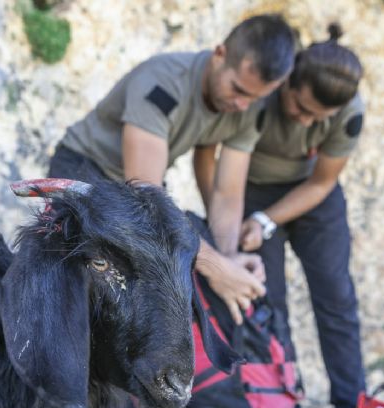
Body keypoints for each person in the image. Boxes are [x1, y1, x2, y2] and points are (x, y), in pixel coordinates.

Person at [49, 14, 297, 317]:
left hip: (135, 188)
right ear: (219, 55)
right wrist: (216, 268)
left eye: (256, 97)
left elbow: (227, 193)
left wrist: (230, 259)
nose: (242, 106)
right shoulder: (162, 84)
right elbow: (145, 197)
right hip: (85, 170)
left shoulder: (249, 110)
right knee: (75, 286)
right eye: (239, 90)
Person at [194, 23, 366, 408]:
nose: (305, 121)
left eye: (316, 119)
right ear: (288, 80)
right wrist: (223, 220)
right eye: (299, 108)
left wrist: (267, 221)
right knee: (266, 305)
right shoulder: (261, 88)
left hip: (313, 199)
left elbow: (323, 182)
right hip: (247, 190)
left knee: (336, 299)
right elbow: (207, 153)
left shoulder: (349, 112)